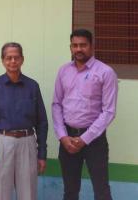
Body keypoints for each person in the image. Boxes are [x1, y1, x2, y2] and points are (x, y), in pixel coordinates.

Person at [52, 29, 118, 200]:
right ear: (70, 48)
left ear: (92, 46)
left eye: (83, 45)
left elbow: (109, 111)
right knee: (70, 190)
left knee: (101, 189)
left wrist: (84, 139)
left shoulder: (106, 72)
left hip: (94, 140)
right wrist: (62, 136)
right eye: (75, 45)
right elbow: (56, 104)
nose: (79, 49)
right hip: (67, 139)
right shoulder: (63, 71)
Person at [0, 42, 48, 200]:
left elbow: (42, 122)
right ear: (3, 61)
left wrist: (42, 153)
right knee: (1, 193)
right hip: (2, 143)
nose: (13, 61)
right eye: (8, 58)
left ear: (22, 59)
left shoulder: (32, 86)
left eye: (16, 57)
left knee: (28, 193)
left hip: (27, 142)